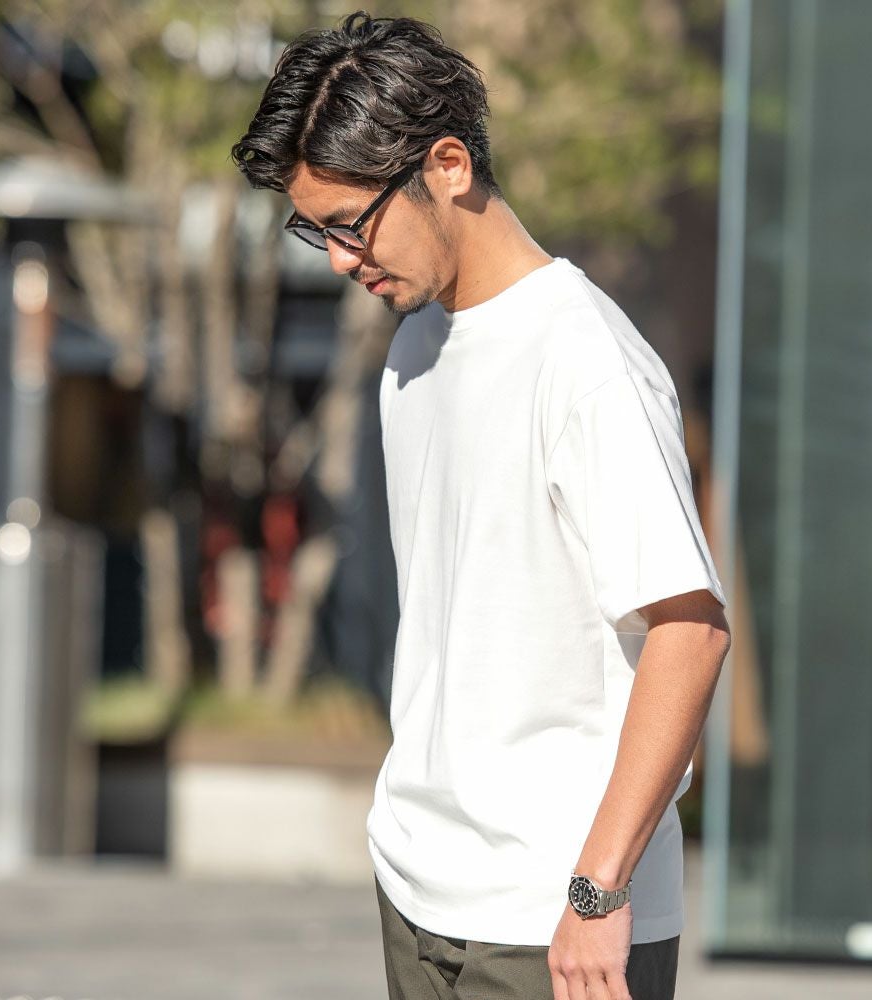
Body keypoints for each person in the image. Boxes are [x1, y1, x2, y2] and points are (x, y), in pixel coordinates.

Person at [232, 12, 731, 1000]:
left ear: (449, 164)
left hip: (557, 921)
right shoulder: (413, 348)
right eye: (313, 230)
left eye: (349, 222)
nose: (337, 258)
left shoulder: (586, 361)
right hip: (420, 888)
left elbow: (691, 631)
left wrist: (597, 890)